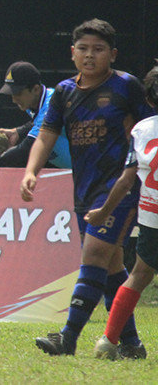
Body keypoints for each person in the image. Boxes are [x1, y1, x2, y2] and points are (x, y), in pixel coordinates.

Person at [21, 19, 152, 357]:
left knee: (93, 256)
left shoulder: (126, 86)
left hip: (121, 188)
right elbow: (47, 134)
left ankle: (67, 338)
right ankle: (131, 343)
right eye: (83, 49)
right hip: (84, 190)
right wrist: (31, 171)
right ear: (72, 53)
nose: (90, 55)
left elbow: (148, 128)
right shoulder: (63, 92)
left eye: (98, 49)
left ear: (113, 54)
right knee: (110, 266)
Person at [87, 64, 158, 359]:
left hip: (151, 216)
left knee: (139, 274)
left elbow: (126, 179)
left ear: (149, 99)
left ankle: (108, 340)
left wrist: (104, 210)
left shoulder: (141, 130)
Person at [0, 61, 71, 169]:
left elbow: (28, 147)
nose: (14, 100)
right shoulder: (34, 104)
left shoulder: (51, 104)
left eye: (18, 93)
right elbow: (37, 122)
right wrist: (17, 132)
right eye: (12, 94)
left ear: (36, 89)